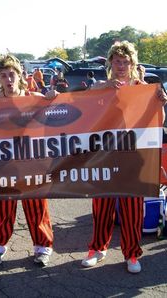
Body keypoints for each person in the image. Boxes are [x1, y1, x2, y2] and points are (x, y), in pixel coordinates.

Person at [81, 41, 167, 274]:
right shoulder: (103, 85)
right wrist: (104, 86)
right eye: (117, 61)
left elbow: (157, 117)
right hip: (105, 154)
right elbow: (83, 101)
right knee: (102, 205)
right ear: (110, 63)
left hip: (133, 156)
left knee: (132, 208)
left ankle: (131, 253)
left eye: (125, 61)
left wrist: (161, 100)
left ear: (132, 63)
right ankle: (97, 249)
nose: (121, 66)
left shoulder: (144, 88)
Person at [0, 54, 56, 267]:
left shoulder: (33, 97)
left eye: (12, 75)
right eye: (4, 75)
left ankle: (43, 247)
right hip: (3, 162)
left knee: (36, 205)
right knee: (1, 205)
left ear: (19, 77)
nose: (8, 79)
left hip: (31, 160)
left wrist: (55, 97)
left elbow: (58, 112)